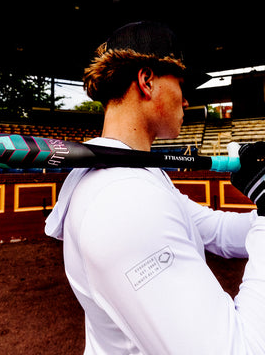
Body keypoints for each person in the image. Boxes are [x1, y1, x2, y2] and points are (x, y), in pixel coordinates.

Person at [45, 20, 265, 354]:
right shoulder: (122, 200)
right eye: (180, 82)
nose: (186, 100)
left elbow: (216, 231)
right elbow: (240, 349)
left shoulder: (137, 174)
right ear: (147, 81)